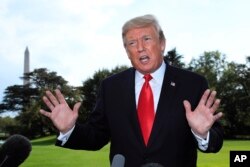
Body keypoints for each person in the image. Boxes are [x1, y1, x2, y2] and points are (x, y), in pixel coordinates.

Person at [40, 14, 223, 167]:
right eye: (132, 43)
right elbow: (96, 137)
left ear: (162, 43)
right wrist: (69, 130)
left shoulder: (192, 83)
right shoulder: (110, 87)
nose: (140, 47)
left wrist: (202, 134)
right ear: (127, 51)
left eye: (146, 39)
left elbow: (216, 142)